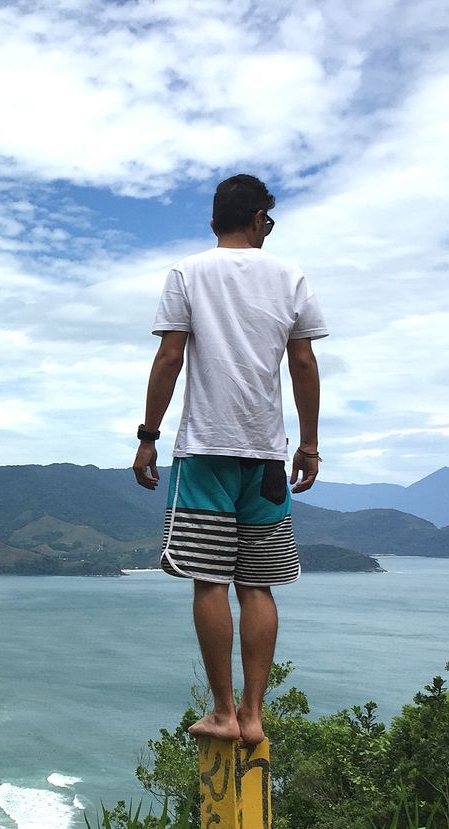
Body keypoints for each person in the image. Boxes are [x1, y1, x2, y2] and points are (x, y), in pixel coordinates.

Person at [131, 173, 326, 746]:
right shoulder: (289, 275)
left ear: (217, 218)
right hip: (267, 454)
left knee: (209, 580)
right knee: (257, 587)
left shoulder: (187, 273)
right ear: (257, 216)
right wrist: (308, 444)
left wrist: (148, 435)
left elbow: (170, 358)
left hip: (206, 449)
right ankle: (253, 713)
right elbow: (304, 364)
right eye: (268, 217)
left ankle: (221, 712)